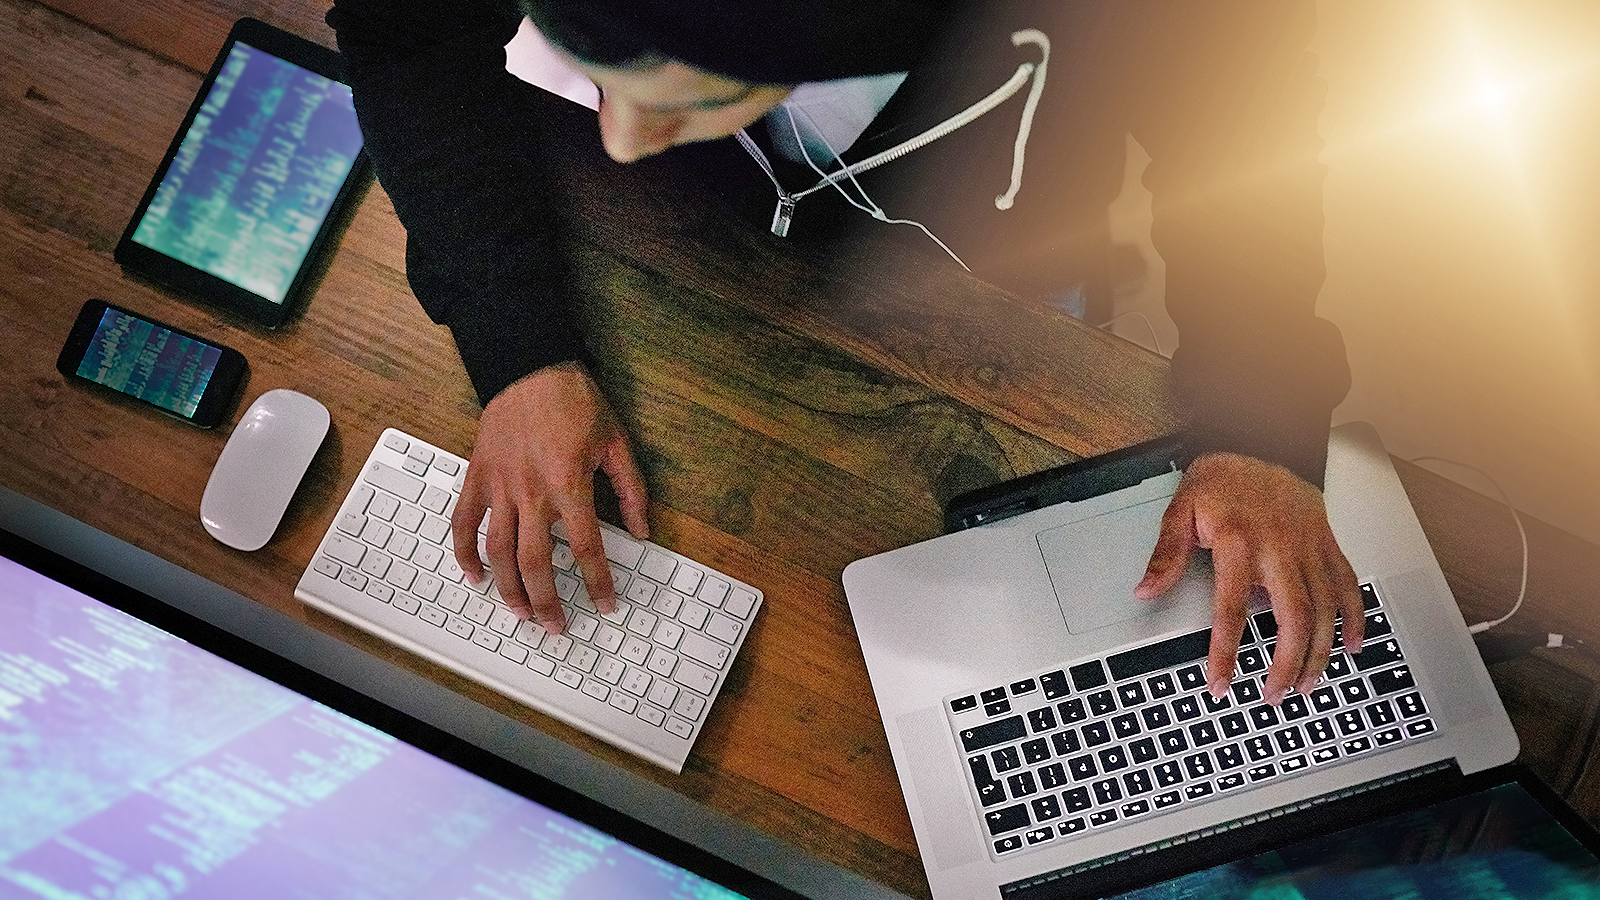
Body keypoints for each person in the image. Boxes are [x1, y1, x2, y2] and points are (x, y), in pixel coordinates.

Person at [326, 0, 1363, 705]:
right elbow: (403, 34)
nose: (622, 141)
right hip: (699, 264)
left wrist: (1258, 414)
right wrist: (518, 346)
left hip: (998, 270)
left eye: (685, 93)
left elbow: (1246, 124)